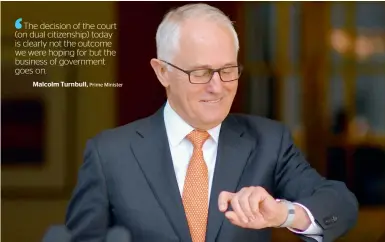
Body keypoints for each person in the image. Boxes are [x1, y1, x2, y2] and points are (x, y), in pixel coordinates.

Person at [65, 3, 358, 242]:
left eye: (228, 70)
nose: (218, 87)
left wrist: (284, 214)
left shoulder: (269, 141)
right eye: (201, 73)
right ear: (162, 72)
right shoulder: (110, 154)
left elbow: (340, 204)